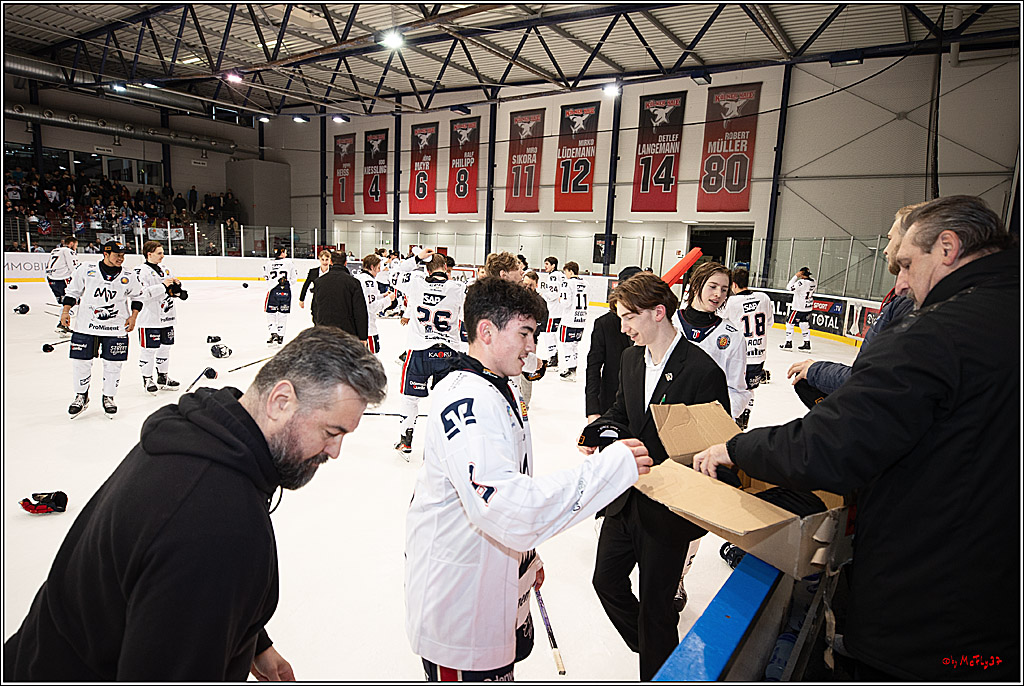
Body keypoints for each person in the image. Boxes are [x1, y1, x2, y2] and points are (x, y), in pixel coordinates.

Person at [693, 195, 1018, 681]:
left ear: (947, 248)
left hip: (932, 610)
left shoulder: (941, 332)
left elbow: (834, 443)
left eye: (907, 264)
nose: (902, 284)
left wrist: (736, 449)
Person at [4, 327, 388, 681]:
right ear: (281, 400)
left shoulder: (201, 432)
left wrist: (253, 641)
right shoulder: (215, 524)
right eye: (331, 431)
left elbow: (168, 590)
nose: (335, 451)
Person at [405, 276, 653, 681]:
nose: (532, 347)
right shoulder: (468, 400)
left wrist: (525, 559)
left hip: (490, 585)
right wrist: (611, 467)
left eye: (534, 334)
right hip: (459, 612)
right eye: (525, 333)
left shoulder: (498, 387)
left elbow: (508, 484)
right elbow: (509, 508)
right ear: (486, 331)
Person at [587, 272, 732, 681]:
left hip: (667, 510)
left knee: (655, 607)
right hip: (626, 496)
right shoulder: (631, 358)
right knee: (606, 582)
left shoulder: (703, 372)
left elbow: (715, 448)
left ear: (658, 312)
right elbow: (621, 412)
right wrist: (596, 431)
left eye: (629, 318)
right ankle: (659, 648)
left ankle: (659, 667)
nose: (623, 328)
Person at [786, 205, 920, 405]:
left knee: (791, 325)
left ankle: (790, 341)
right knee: (805, 327)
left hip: (799, 305)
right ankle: (805, 342)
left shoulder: (911, 303)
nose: (884, 249)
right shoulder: (812, 282)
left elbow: (870, 380)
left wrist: (817, 371)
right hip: (808, 306)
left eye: (891, 239)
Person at [393, 247, 467, 457]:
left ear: (426, 269)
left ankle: (405, 442)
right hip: (449, 353)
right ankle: (445, 446)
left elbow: (394, 275)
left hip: (419, 351)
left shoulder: (416, 283)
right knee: (446, 400)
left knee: (410, 399)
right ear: (446, 267)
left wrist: (416, 258)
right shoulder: (457, 287)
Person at [60, 241, 143, 419]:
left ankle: (109, 397)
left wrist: (133, 316)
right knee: (81, 363)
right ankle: (81, 396)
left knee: (113, 365)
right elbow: (72, 292)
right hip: (85, 326)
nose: (121, 258)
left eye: (123, 255)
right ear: (105, 254)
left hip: (116, 328)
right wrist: (66, 312)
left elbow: (137, 296)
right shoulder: (85, 269)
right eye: (116, 255)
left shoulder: (129, 274)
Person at [675, 261, 751, 425]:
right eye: (713, 286)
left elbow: (738, 391)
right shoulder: (669, 323)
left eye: (724, 289)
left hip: (705, 423)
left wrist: (715, 420)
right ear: (696, 286)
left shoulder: (732, 335)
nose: (719, 294)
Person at [718, 266, 774, 427]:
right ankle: (745, 415)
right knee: (749, 388)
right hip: (759, 354)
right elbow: (769, 323)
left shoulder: (732, 302)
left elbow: (721, 324)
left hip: (738, 356)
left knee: (733, 388)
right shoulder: (763, 298)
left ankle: (734, 419)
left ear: (733, 285)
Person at [585, 266, 642, 422]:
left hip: (642, 406)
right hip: (611, 404)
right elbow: (593, 367)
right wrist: (593, 409)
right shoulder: (604, 324)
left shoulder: (650, 324)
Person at [134, 241, 184, 394]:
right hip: (149, 318)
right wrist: (162, 286)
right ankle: (147, 378)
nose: (163, 256)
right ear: (149, 254)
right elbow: (140, 294)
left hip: (167, 317)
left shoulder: (165, 269)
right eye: (159, 253)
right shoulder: (140, 271)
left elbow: (170, 289)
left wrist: (178, 289)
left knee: (165, 348)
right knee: (149, 350)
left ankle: (163, 376)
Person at [310, 250, 369, 341]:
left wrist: (318, 326)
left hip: (324, 332)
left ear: (330, 262)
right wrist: (363, 337)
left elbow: (315, 307)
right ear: (345, 263)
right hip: (347, 333)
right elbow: (360, 311)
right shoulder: (353, 283)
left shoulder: (319, 281)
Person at [355, 253, 396, 354]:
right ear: (372, 267)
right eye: (378, 267)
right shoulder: (369, 282)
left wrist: (383, 296)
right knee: (370, 359)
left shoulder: (358, 278)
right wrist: (389, 299)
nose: (379, 270)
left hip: (357, 326)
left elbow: (365, 299)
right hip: (368, 328)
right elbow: (372, 307)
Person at [557, 261, 589, 382]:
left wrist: (560, 300)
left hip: (569, 320)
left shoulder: (568, 283)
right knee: (575, 345)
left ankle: (570, 370)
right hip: (581, 319)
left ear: (571, 271)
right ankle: (573, 369)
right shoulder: (585, 283)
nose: (565, 275)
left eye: (566, 272)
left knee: (567, 345)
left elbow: (566, 302)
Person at [45, 235, 79, 337]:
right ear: (71, 244)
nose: (75, 248)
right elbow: (74, 267)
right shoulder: (68, 251)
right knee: (73, 302)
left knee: (64, 303)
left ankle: (63, 324)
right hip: (62, 279)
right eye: (76, 245)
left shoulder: (55, 250)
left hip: (51, 279)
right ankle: (62, 324)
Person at [537, 256, 566, 368]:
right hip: (559, 310)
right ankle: (553, 357)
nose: (545, 266)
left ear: (553, 265)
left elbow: (553, 294)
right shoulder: (561, 275)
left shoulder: (553, 276)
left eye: (547, 264)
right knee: (550, 333)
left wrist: (542, 295)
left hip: (553, 311)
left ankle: (553, 358)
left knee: (548, 334)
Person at [263, 247, 295, 345]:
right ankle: (281, 335)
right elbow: (293, 279)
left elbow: (265, 276)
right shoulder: (289, 262)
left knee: (271, 313)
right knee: (283, 314)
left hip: (273, 291)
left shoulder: (268, 264)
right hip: (286, 290)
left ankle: (273, 333)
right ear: (282, 252)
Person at [780, 266, 816, 351]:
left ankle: (788, 343)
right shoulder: (814, 281)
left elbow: (789, 287)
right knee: (804, 325)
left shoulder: (801, 282)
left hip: (798, 307)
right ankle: (807, 344)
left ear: (802, 274)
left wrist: (795, 276)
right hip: (808, 307)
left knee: (789, 324)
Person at [299, 250, 332, 317]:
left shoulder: (333, 271)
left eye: (327, 259)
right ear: (319, 259)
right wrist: (301, 299)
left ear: (330, 260)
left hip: (330, 300)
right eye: (322, 259)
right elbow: (306, 285)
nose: (324, 262)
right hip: (317, 300)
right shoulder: (313, 272)